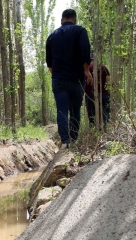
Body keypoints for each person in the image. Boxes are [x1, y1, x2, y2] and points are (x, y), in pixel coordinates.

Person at [46, 9, 93, 149]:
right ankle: (74, 140)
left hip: (59, 79)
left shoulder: (52, 36)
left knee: (61, 110)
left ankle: (65, 142)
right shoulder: (80, 31)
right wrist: (86, 70)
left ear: (62, 20)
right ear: (75, 19)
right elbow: (85, 50)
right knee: (75, 111)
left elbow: (49, 63)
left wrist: (57, 74)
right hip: (76, 78)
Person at [85, 61, 111, 129]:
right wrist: (110, 94)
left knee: (92, 116)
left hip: (90, 95)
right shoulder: (104, 68)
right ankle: (104, 131)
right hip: (104, 95)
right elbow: (108, 82)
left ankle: (94, 132)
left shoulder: (87, 68)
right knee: (105, 115)